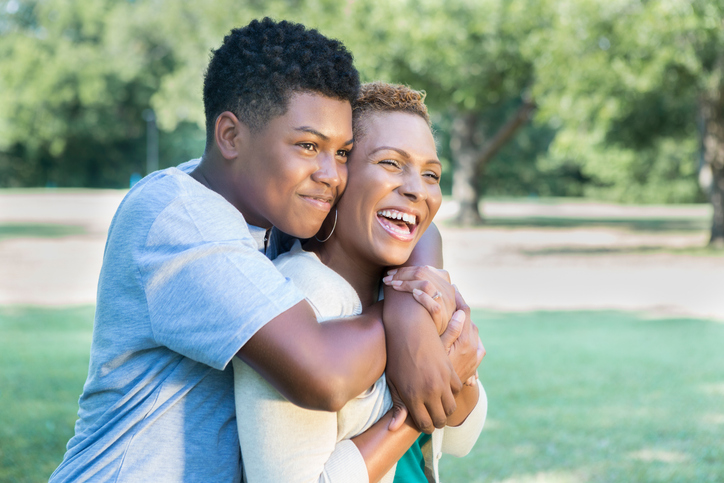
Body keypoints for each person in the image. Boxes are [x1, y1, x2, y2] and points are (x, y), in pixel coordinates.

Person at [50, 18, 480, 482]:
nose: (331, 175)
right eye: (307, 145)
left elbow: (417, 230)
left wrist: (408, 304)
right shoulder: (180, 218)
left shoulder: (279, 204)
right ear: (231, 136)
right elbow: (324, 373)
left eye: (341, 152)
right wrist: (411, 319)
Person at [234, 82, 486, 483]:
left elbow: (459, 438)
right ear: (337, 174)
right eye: (390, 163)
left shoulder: (413, 286)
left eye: (431, 174)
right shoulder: (296, 299)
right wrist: (408, 415)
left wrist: (459, 372)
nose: (416, 189)